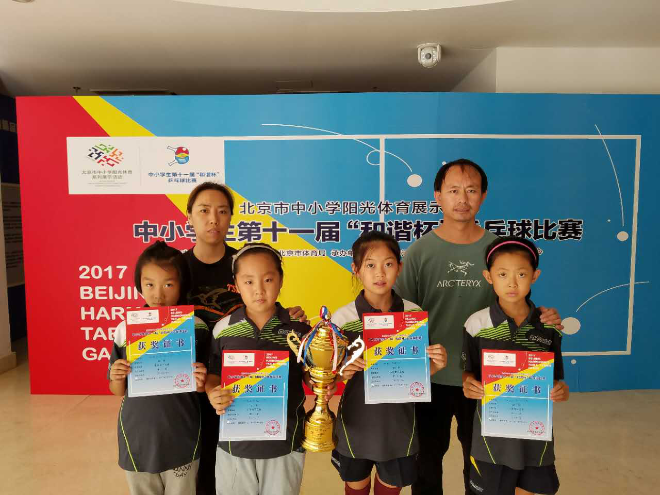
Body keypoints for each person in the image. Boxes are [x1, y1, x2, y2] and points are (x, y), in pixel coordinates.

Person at [395, 159, 563, 495]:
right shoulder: (419, 251)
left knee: (483, 465)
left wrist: (544, 317)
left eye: (471, 190)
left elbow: (516, 304)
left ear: (483, 196)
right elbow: (401, 315)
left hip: (487, 381)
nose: (462, 198)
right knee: (425, 462)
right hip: (428, 378)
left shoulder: (497, 251)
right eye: (453, 190)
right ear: (437, 196)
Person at [183, 182, 306, 494]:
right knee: (207, 474)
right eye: (204, 210)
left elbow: (308, 371)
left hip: (274, 431)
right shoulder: (177, 268)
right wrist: (209, 387)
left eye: (222, 211)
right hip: (198, 399)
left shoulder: (294, 329)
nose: (213, 218)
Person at [331, 231, 448, 495]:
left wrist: (436, 365)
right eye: (370, 265)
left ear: (399, 267)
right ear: (356, 270)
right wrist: (341, 371)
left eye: (388, 264)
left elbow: (417, 371)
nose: (380, 273)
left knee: (392, 484)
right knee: (356, 483)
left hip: (400, 423)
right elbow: (329, 375)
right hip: (357, 421)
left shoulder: (413, 313)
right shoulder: (342, 318)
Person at [205, 243, 315, 495]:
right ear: (236, 284)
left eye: (268, 279)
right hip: (235, 445)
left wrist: (322, 381)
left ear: (281, 280)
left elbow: (310, 376)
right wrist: (212, 392)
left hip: (284, 443)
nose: (259, 290)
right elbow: (213, 374)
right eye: (249, 281)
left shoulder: (299, 330)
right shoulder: (223, 329)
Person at [462, 236, 569, 495]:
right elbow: (468, 372)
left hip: (534, 434)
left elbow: (555, 378)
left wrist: (560, 391)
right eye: (502, 274)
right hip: (491, 438)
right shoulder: (477, 324)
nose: (512, 283)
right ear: (488, 277)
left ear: (535, 276)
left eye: (521, 274)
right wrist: (468, 384)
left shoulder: (549, 326)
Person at [108, 241, 209, 495]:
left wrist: (201, 382)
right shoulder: (126, 329)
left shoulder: (196, 327)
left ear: (182, 285)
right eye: (150, 284)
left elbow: (206, 386)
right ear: (139, 285)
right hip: (138, 433)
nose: (158, 295)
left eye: (168, 284)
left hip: (182, 432)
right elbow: (117, 390)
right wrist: (117, 376)